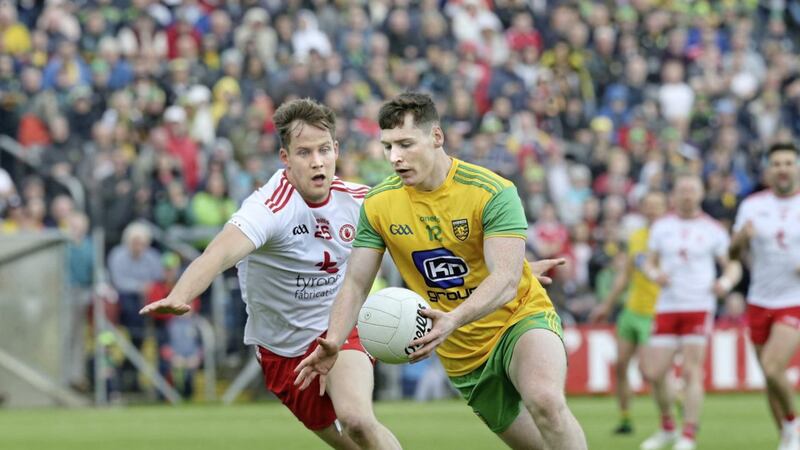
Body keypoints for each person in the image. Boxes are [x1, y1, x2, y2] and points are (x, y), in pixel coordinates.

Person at [295, 92, 587, 450]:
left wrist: (454, 317)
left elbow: (508, 280)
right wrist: (335, 341)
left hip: (519, 318)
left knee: (546, 401)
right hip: (463, 355)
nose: (395, 157)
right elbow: (356, 283)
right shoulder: (379, 204)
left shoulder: (493, 192)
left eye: (405, 144)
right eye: (387, 147)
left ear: (436, 137)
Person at [141, 98, 401, 450]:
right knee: (350, 445)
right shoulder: (269, 206)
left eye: (324, 150)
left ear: (336, 150)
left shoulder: (360, 201)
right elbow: (218, 253)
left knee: (357, 419)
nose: (317, 161)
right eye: (304, 152)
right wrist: (181, 294)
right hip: (284, 352)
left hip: (340, 329)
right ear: (285, 158)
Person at [639, 174, 741, 450]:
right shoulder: (661, 227)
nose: (687, 195)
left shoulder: (713, 229)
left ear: (700, 193)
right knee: (654, 372)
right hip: (668, 305)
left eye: (691, 190)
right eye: (682, 189)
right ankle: (667, 426)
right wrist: (654, 274)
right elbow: (648, 263)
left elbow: (732, 265)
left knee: (691, 371)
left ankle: (689, 435)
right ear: (675, 194)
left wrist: (725, 283)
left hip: (698, 304)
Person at [729, 142, 800, 450]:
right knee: (769, 378)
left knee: (773, 366)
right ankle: (786, 436)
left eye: (788, 162)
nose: (782, 168)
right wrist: (741, 239)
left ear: (796, 167)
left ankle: (794, 425)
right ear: (769, 170)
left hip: (794, 299)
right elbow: (732, 253)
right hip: (759, 298)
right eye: (777, 164)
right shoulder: (752, 205)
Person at [590, 191, 667, 434]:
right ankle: (625, 419)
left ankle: (671, 415)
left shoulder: (670, 236)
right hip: (632, 310)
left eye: (657, 206)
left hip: (656, 312)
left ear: (665, 209)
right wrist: (607, 305)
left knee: (650, 372)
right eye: (649, 205)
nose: (652, 210)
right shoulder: (636, 237)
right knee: (621, 365)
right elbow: (625, 275)